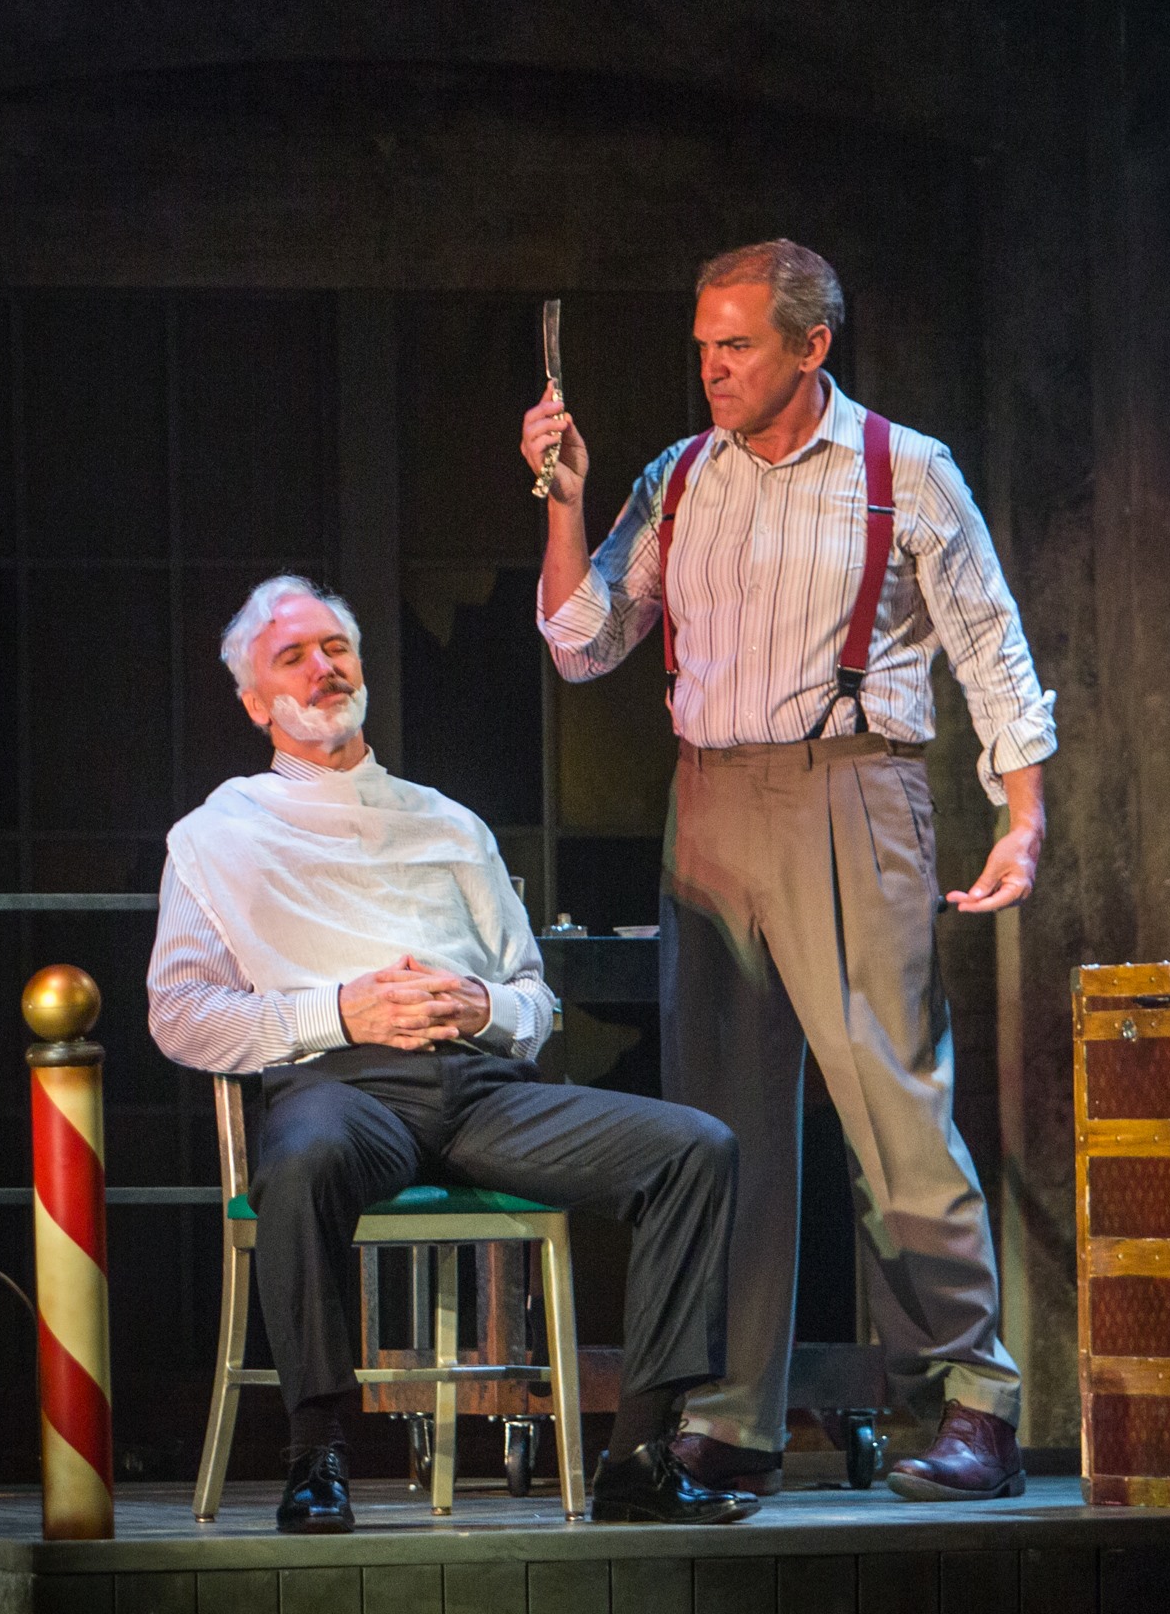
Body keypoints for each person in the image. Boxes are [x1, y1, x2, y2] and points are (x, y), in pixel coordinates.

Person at [521, 240, 1056, 1503]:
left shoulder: (903, 469)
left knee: (891, 1104)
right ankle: (731, 1413)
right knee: (722, 1126)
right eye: (702, 345)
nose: (711, 368)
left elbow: (991, 648)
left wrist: (1022, 818)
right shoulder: (676, 477)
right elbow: (584, 643)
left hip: (849, 788)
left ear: (811, 346)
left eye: (737, 344)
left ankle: (969, 1397)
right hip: (709, 800)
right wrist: (564, 500)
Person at [148, 575, 755, 1533]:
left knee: (696, 1148)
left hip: (480, 1093)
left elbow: (534, 1002)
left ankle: (640, 1457)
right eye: (291, 657)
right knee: (301, 1159)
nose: (322, 669)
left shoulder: (447, 822)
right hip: (343, 1088)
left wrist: (485, 1004)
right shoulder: (217, 835)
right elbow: (181, 1016)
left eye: (335, 648)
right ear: (255, 702)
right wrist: (339, 1011)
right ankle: (316, 1455)